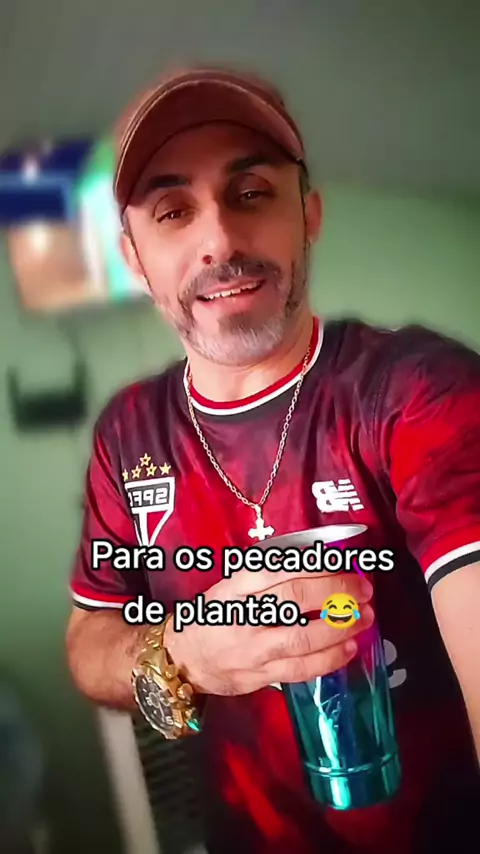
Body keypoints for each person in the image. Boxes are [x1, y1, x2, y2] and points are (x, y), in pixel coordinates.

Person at [66, 66, 480, 853]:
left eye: (251, 193)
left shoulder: (419, 391)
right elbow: (90, 636)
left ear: (308, 215)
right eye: (173, 211)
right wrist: (179, 654)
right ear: (135, 259)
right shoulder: (128, 434)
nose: (220, 241)